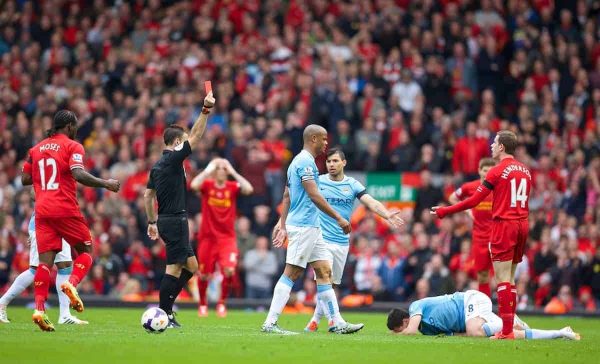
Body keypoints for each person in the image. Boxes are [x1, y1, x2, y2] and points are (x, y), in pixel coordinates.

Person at [21, 110, 121, 331]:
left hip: (43, 211)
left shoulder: (36, 149)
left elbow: (24, 179)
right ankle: (71, 283)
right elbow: (78, 173)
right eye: (75, 126)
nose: (76, 130)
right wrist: (106, 183)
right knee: (86, 250)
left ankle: (39, 309)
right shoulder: (73, 146)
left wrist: (44, 179)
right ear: (68, 126)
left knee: (44, 264)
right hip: (64, 208)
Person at [262, 124, 363, 335]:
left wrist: (281, 223)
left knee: (324, 271)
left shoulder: (297, 162)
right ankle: (270, 323)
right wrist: (338, 218)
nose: (326, 143)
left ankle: (335, 322)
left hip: (312, 226)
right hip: (304, 226)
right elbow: (314, 195)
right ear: (314, 138)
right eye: (324, 139)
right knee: (292, 272)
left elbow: (287, 195)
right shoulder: (306, 163)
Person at [432, 131, 532, 340]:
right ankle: (509, 326)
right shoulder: (525, 170)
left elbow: (473, 201)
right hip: (523, 224)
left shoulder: (496, 171)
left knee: (502, 279)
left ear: (502, 147)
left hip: (504, 225)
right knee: (510, 278)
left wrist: (445, 211)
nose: (492, 146)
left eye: (495, 142)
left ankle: (506, 332)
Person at [303, 148, 404, 332]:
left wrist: (386, 215)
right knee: (324, 279)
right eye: (328, 162)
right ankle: (336, 322)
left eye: (335, 161)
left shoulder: (352, 184)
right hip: (321, 241)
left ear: (344, 163)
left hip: (341, 242)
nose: (331, 165)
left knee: (330, 284)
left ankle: (314, 321)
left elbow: (371, 202)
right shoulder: (319, 181)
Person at [144, 90, 215, 328]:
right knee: (174, 268)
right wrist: (205, 110)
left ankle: (167, 310)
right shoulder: (173, 159)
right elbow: (196, 135)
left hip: (167, 220)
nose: (186, 143)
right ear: (176, 143)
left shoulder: (156, 166)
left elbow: (147, 196)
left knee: (192, 266)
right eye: (182, 140)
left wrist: (152, 222)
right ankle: (164, 313)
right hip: (175, 221)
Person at [190, 157, 254, 318]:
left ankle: (221, 303)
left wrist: (233, 171)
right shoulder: (207, 185)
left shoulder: (231, 187)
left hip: (227, 238)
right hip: (207, 238)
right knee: (204, 274)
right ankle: (203, 304)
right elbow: (193, 185)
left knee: (230, 270)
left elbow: (249, 189)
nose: (220, 170)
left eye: (223, 168)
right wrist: (208, 169)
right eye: (217, 168)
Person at [386, 290, 580, 340]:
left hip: (469, 300)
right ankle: (560, 332)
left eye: (398, 330)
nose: (401, 332)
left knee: (474, 331)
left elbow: (410, 331)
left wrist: (397, 336)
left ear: (405, 320)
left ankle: (508, 321)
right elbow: (456, 336)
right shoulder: (427, 331)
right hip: (473, 318)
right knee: (504, 336)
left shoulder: (415, 307)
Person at [0, 212, 87, 325]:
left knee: (65, 266)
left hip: (60, 222)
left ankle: (65, 315)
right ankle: (2, 302)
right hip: (44, 221)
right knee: (36, 269)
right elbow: (33, 194)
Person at [448, 158, 496, 297]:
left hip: (496, 236)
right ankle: (486, 308)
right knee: (481, 274)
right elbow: (452, 197)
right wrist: (467, 210)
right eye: (485, 170)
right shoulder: (470, 187)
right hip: (479, 237)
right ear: (479, 170)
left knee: (501, 275)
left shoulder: (499, 187)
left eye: (490, 171)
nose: (487, 173)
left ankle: (505, 310)